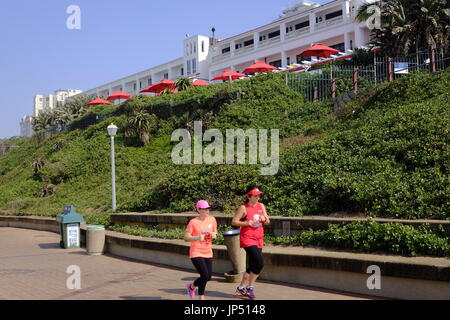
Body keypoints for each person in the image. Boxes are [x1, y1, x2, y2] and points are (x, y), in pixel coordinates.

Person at [231, 186, 270, 300]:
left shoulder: (261, 206)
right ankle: (249, 288)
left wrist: (264, 219)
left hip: (259, 239)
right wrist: (247, 223)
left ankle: (241, 288)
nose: (257, 197)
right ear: (248, 196)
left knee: (253, 265)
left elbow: (267, 221)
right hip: (247, 239)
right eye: (255, 195)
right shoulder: (243, 208)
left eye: (258, 195)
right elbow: (234, 221)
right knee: (260, 262)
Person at [184, 200, 218, 300]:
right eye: (205, 209)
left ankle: (191, 287)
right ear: (198, 210)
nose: (207, 211)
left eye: (208, 208)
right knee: (204, 274)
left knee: (208, 277)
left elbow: (215, 232)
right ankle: (201, 296)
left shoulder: (212, 219)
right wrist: (198, 237)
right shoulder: (193, 222)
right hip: (196, 251)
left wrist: (214, 235)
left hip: (208, 251)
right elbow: (186, 237)